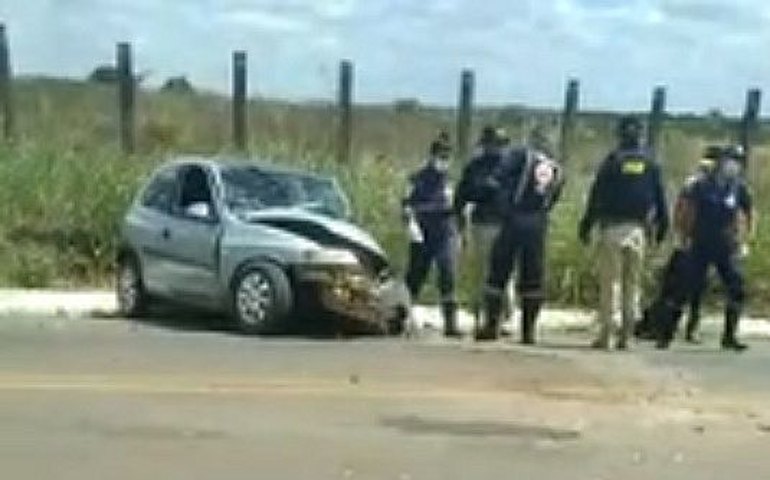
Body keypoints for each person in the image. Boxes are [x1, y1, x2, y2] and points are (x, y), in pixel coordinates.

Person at [579, 116, 669, 350]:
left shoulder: (612, 161)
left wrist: (586, 225)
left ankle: (607, 333)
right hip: (638, 230)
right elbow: (660, 199)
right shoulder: (650, 163)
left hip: (612, 229)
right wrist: (661, 230)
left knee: (611, 283)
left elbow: (596, 196)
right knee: (633, 284)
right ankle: (626, 336)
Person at [475, 127, 564, 343]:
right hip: (538, 222)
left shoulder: (521, 156)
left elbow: (494, 181)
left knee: (499, 270)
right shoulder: (557, 168)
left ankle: (491, 326)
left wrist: (502, 205)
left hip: (515, 218)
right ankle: (528, 331)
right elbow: (554, 197)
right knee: (533, 275)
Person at [677, 145, 754, 352]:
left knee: (736, 287)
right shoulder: (703, 185)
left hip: (726, 245)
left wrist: (745, 240)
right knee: (695, 286)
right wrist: (684, 236)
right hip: (701, 242)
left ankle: (730, 335)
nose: (733, 165)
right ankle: (691, 327)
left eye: (737, 161)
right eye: (731, 159)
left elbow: (748, 212)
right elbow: (689, 210)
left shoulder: (738, 187)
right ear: (721, 161)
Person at [453, 126, 514, 332]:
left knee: (505, 273)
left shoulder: (511, 166)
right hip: (482, 223)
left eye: (499, 144)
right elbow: (462, 194)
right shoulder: (475, 166)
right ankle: (484, 316)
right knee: (482, 273)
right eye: (491, 144)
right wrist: (460, 219)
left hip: (506, 223)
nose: (495, 148)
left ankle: (504, 317)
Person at [403, 135, 461, 338]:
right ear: (432, 155)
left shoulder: (451, 179)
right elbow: (406, 204)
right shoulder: (417, 178)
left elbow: (457, 206)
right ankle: (403, 320)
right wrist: (411, 224)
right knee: (415, 276)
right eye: (440, 155)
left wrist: (462, 231)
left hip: (446, 232)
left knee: (448, 274)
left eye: (447, 156)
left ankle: (451, 324)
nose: (443, 160)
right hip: (423, 232)